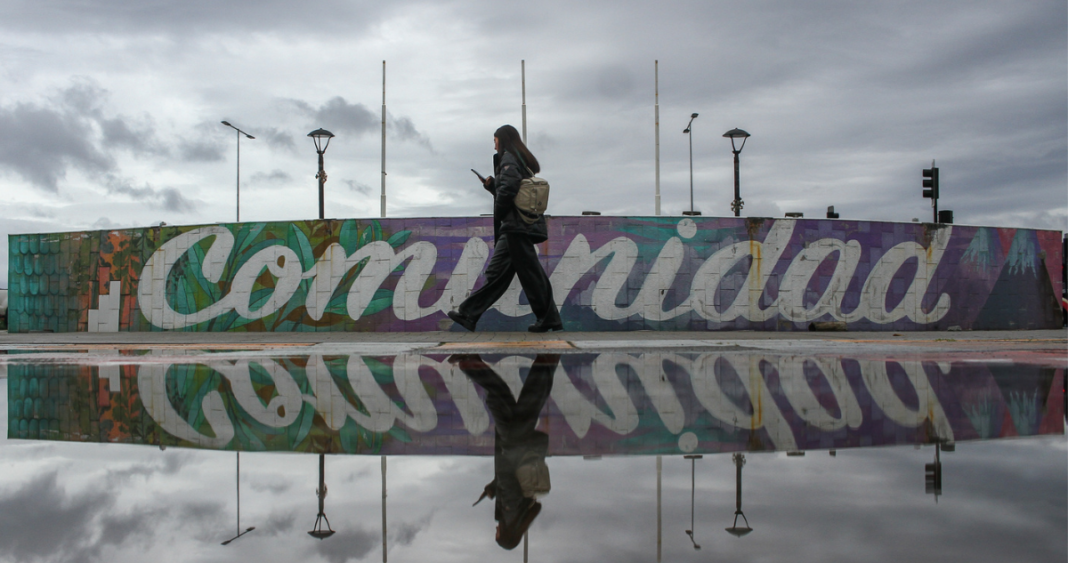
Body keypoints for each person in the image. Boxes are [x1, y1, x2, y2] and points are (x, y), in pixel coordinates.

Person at [448, 125, 563, 333]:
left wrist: (500, 212)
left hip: (515, 227)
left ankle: (548, 318)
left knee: (529, 274)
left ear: (502, 140)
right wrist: (493, 187)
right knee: (500, 274)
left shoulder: (509, 158)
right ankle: (469, 314)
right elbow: (512, 190)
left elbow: (509, 190)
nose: (494, 145)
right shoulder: (519, 160)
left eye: (495, 140)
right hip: (516, 226)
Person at [449, 353, 559, 550]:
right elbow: (509, 478)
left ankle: (473, 362)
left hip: (520, 446)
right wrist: (499, 480)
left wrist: (493, 488)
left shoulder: (521, 513)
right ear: (505, 535)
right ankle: (469, 362)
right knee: (510, 399)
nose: (496, 532)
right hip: (513, 444)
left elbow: (513, 484)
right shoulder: (510, 513)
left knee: (513, 398)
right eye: (498, 535)